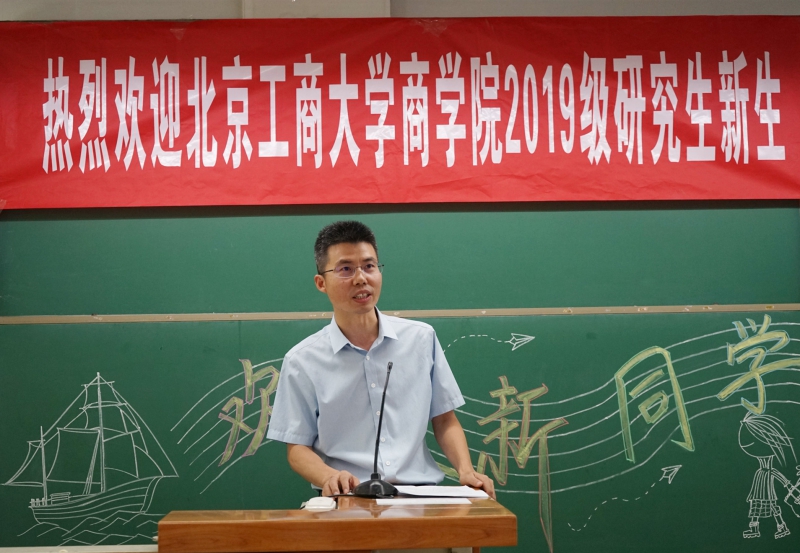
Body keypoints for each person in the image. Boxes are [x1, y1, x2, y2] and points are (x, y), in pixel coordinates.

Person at [266, 220, 494, 498]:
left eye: (369, 266)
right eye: (345, 269)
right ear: (321, 283)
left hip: (419, 498)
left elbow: (445, 419)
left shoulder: (421, 339)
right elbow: (297, 448)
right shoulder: (302, 360)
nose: (361, 278)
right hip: (348, 499)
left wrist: (465, 470)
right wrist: (329, 477)